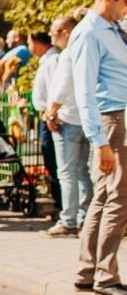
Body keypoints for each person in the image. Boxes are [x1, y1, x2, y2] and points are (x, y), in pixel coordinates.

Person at [71, 0, 127, 295]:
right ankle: (106, 277)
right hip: (113, 121)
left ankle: (87, 271)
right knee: (119, 197)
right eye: (126, 2)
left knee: (106, 195)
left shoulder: (112, 29)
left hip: (117, 120)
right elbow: (85, 93)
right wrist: (100, 141)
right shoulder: (89, 34)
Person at [39, 14, 90, 237]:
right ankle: (85, 218)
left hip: (67, 119)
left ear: (66, 33)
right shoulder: (86, 51)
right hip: (84, 118)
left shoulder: (69, 54)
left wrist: (51, 112)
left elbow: (62, 86)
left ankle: (69, 220)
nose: (51, 36)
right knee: (82, 171)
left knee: (67, 173)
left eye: (54, 32)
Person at [25, 31, 63, 213]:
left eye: (29, 42)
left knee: (55, 163)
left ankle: (62, 205)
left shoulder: (52, 61)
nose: (29, 47)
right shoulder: (47, 60)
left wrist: (52, 113)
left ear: (37, 42)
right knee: (51, 161)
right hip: (46, 115)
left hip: (51, 116)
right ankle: (59, 204)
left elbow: (56, 90)